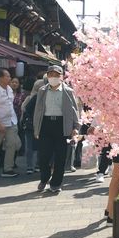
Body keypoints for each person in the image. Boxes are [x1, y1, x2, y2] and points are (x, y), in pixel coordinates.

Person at [32, 65, 80, 194]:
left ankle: (56, 183)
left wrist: (76, 127)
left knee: (60, 156)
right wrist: (36, 128)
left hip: (62, 125)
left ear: (61, 77)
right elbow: (38, 110)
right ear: (47, 76)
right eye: (51, 74)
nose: (53, 77)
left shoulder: (68, 91)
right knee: (43, 156)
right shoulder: (42, 90)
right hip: (45, 124)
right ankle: (44, 177)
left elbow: (74, 110)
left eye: (56, 75)